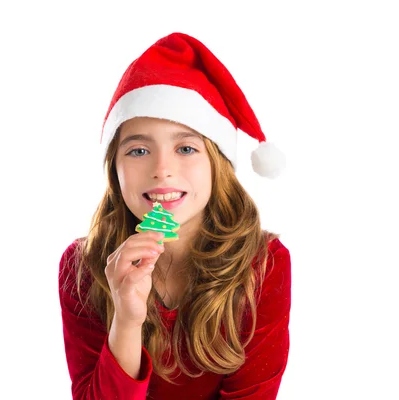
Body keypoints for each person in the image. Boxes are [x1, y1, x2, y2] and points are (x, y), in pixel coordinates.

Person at [58, 32, 292, 400]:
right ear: (114, 168)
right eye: (138, 151)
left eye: (185, 147)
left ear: (218, 164)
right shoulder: (82, 266)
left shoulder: (264, 264)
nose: (162, 169)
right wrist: (127, 319)